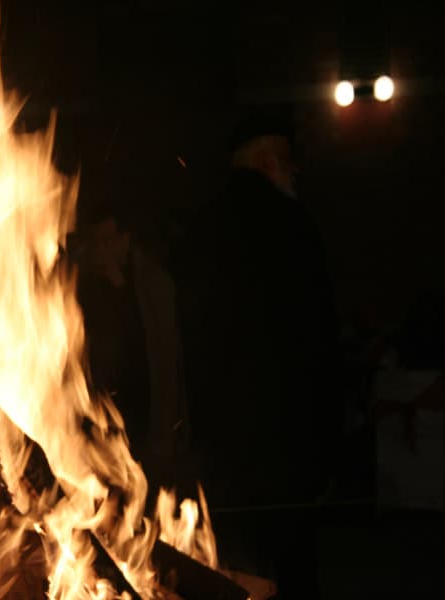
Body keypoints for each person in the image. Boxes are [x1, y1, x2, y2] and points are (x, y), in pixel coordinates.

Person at [181, 107, 341, 597]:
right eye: (289, 159)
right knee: (292, 570)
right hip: (287, 443)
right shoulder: (294, 227)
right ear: (269, 161)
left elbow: (191, 336)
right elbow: (316, 334)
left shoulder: (202, 228)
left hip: (224, 447)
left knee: (234, 573)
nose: (297, 171)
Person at [76, 192, 193, 496]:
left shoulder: (153, 283)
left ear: (125, 240)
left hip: (149, 422)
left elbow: (161, 356)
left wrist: (168, 438)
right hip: (105, 427)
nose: (101, 250)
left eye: (108, 241)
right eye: (96, 242)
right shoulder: (85, 289)